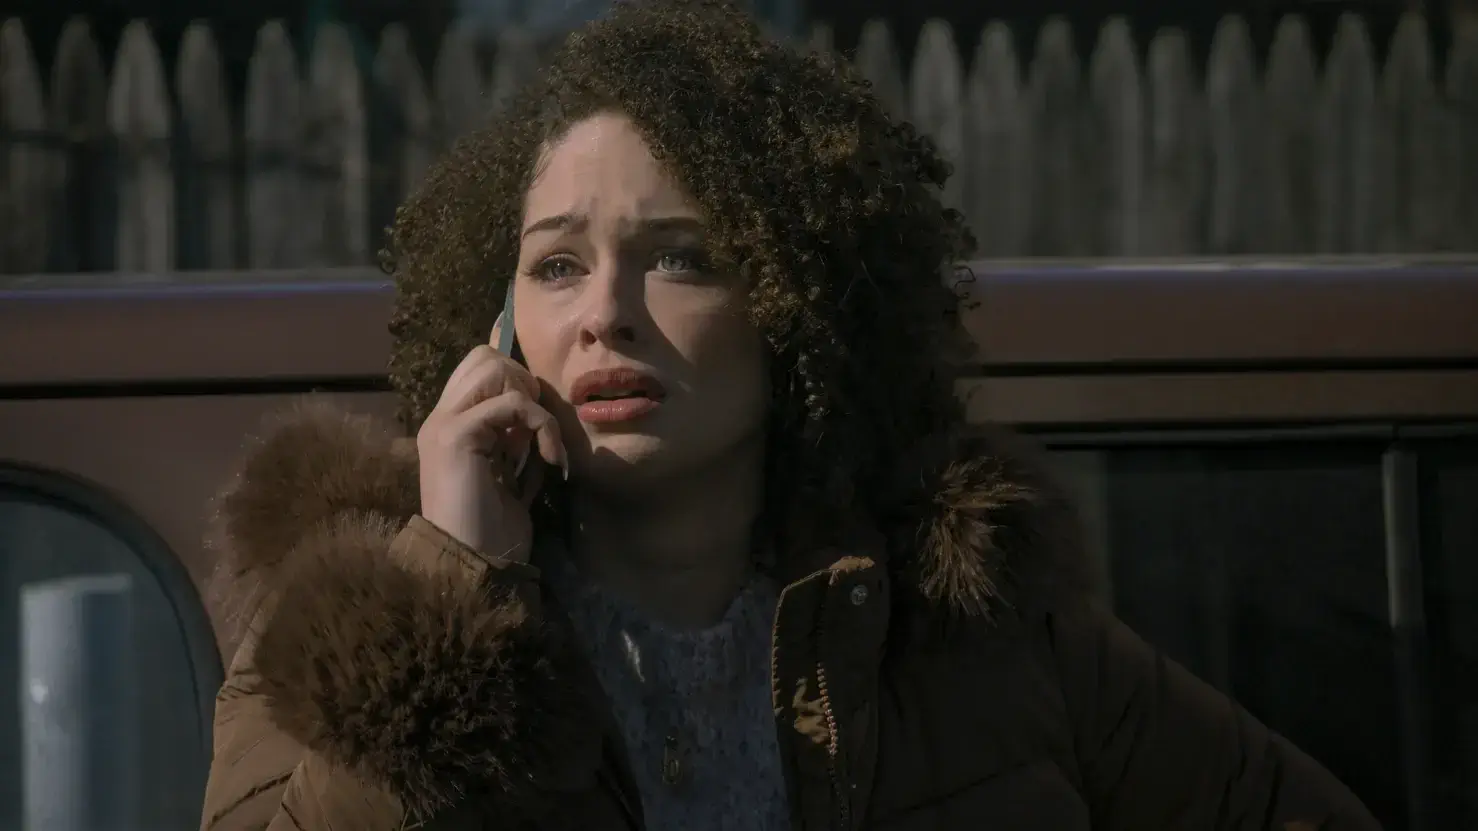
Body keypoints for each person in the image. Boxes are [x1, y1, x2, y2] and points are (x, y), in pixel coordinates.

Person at [197, 2, 1381, 829]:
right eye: (555, 266)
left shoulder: (976, 633)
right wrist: (447, 596)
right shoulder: (344, 621)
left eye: (680, 257)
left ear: (795, 307)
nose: (603, 315)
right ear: (495, 324)